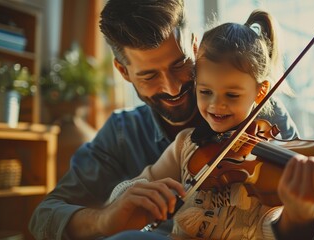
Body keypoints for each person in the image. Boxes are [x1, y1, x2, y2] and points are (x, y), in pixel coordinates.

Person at [28, 0, 299, 239]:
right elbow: (44, 217)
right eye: (149, 76)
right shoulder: (122, 131)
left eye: (179, 64)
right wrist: (104, 219)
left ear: (193, 45)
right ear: (124, 72)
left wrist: (301, 209)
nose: (171, 87)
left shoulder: (260, 115)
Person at [106, 9, 314, 240]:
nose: (216, 105)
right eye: (206, 91)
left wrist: (299, 212)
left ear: (261, 93)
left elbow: (273, 223)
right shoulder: (186, 145)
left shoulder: (271, 160)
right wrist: (131, 196)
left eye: (232, 95)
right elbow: (139, 185)